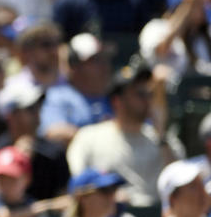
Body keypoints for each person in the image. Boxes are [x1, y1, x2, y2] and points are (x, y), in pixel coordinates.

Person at [66, 62, 176, 208]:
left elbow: (179, 182)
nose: (147, 100)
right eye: (140, 94)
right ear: (117, 101)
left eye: (149, 94)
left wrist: (161, 134)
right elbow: (80, 183)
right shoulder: (88, 137)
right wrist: (108, 194)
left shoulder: (162, 139)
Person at [40, 33, 114, 144]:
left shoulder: (117, 96)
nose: (104, 65)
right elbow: (53, 132)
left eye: (105, 58)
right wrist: (99, 139)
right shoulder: (58, 97)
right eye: (96, 60)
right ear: (75, 66)